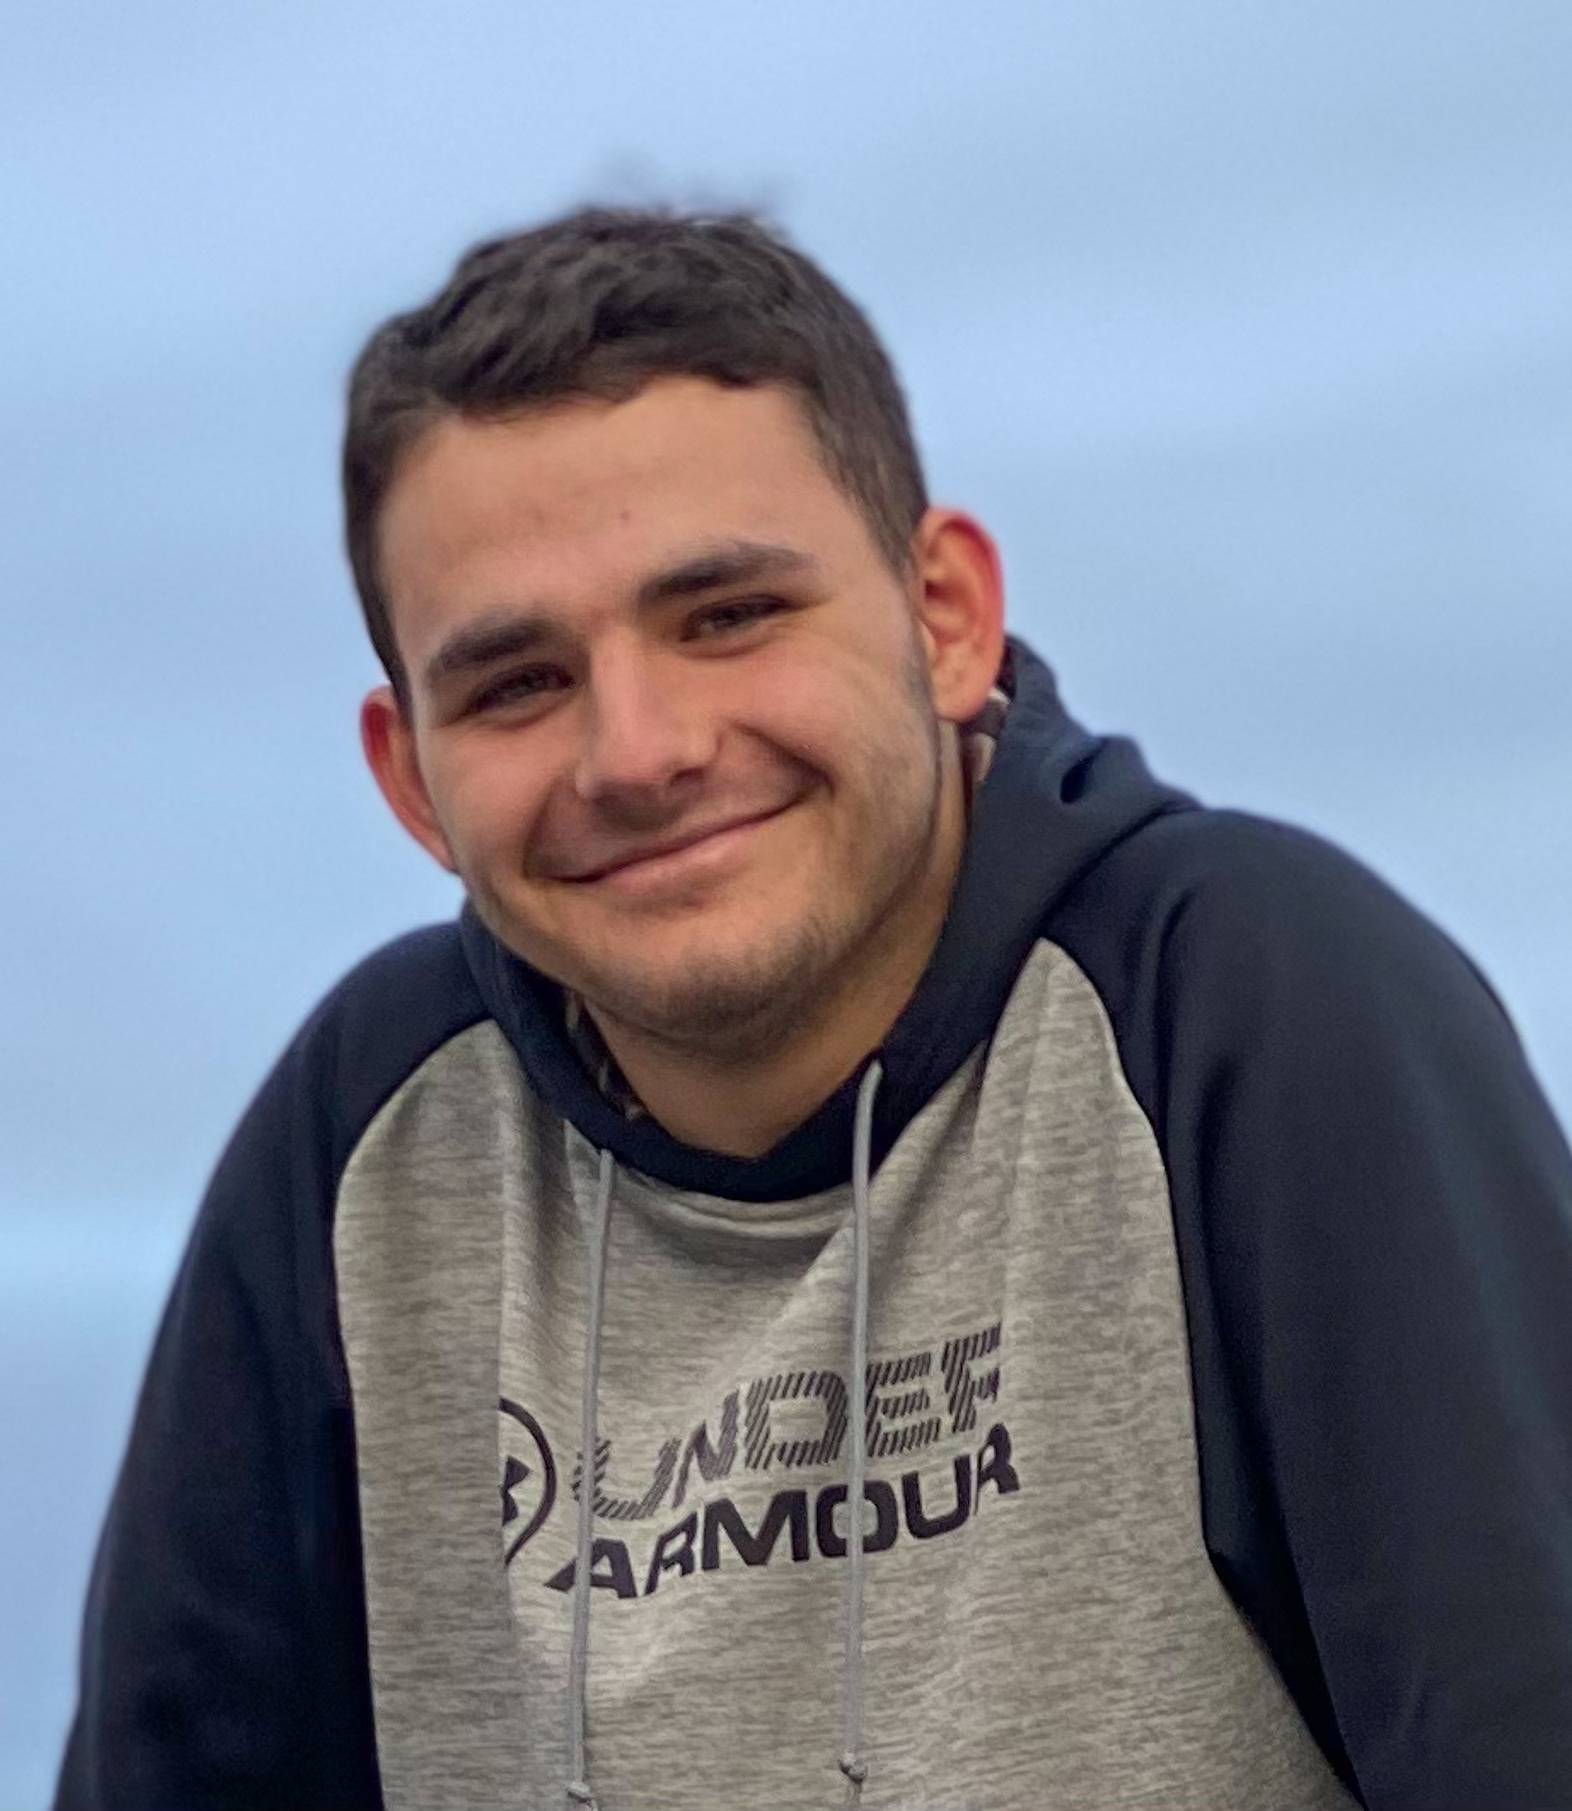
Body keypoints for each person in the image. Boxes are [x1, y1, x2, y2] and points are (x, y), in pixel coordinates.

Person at [55, 208, 1572, 1811]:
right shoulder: (367, 1145)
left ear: (945, 618)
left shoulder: (1242, 1009)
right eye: (517, 684)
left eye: (727, 616)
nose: (639, 752)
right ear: (412, 778)